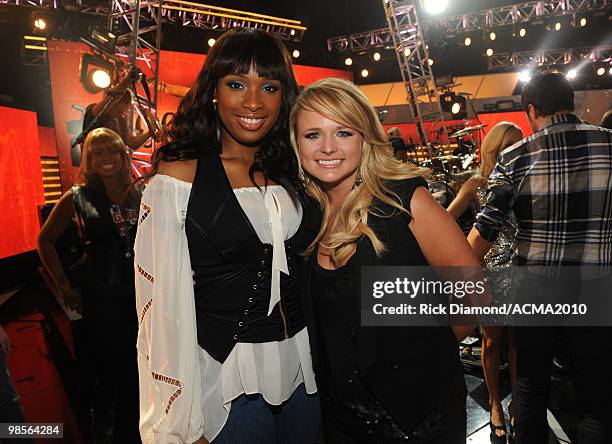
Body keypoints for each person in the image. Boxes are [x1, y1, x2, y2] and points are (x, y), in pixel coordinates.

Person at [134, 28, 321, 444]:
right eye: (236, 84)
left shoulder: (295, 171)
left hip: (305, 375)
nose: (253, 102)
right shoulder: (179, 178)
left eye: (268, 87)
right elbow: (160, 309)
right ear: (213, 91)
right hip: (226, 385)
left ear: (283, 96)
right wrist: (179, 424)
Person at [290, 77, 479, 443]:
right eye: (313, 135)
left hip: (419, 420)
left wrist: (420, 355)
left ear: (365, 138)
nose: (328, 147)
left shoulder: (406, 201)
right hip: (340, 420)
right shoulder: (303, 216)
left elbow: (474, 297)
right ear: (297, 144)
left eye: (343, 132)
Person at [468, 71, 612, 444]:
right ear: (572, 102)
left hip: (538, 290)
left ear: (532, 110)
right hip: (598, 288)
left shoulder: (516, 157)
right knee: (596, 397)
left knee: (531, 387)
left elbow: (485, 232)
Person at [37, 127, 141, 443]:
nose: (107, 158)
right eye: (99, 153)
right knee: (109, 370)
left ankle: (134, 428)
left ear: (124, 156)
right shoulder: (77, 196)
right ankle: (105, 432)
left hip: (139, 295)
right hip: (102, 296)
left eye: (113, 151)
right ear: (90, 159)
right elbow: (45, 241)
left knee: (137, 367)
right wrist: (64, 285)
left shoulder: (138, 191)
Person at [448, 122, 523, 443]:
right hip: (489, 272)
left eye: (519, 144)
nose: (517, 150)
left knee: (518, 343)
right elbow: (447, 218)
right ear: (493, 149)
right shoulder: (477, 183)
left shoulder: (525, 177)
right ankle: (494, 404)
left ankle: (518, 403)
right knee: (492, 342)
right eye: (510, 145)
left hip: (521, 271)